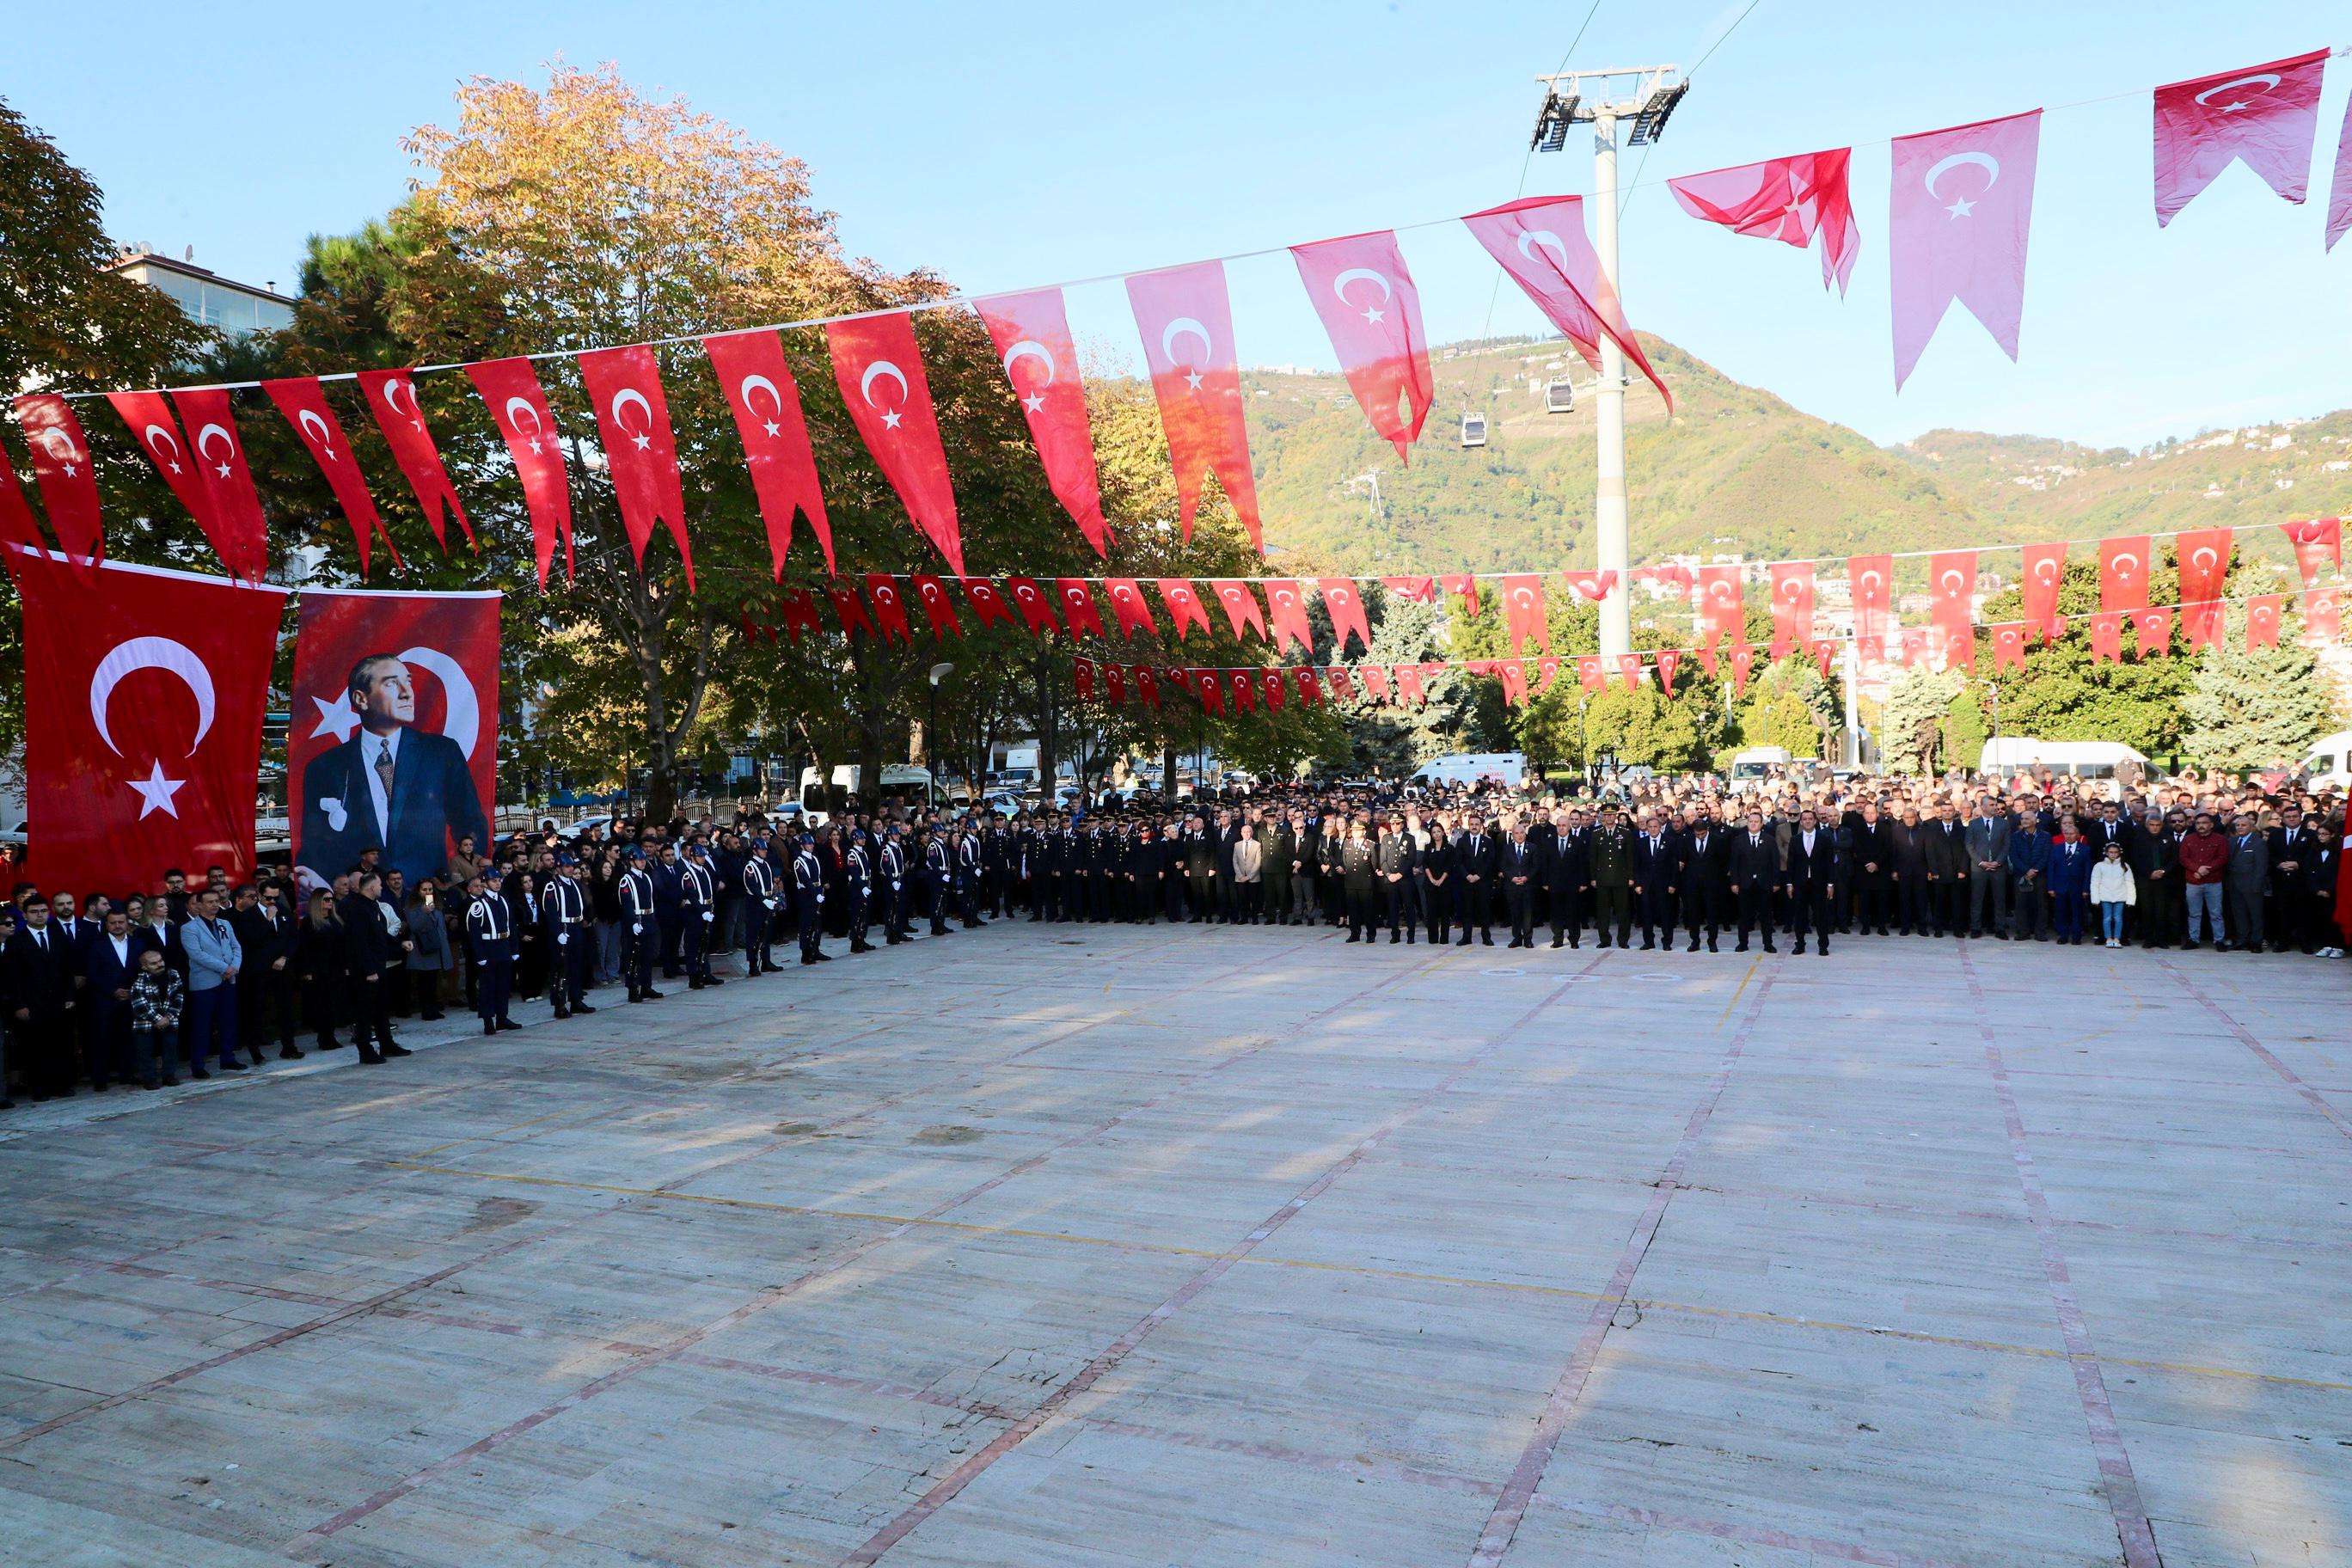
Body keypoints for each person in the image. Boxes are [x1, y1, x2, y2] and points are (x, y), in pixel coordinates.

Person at [297, 653, 492, 892]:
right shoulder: (326, 767)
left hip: (428, 893)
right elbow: (315, 844)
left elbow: (470, 821)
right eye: (391, 683)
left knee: (429, 928)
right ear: (361, 698)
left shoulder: (441, 753)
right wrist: (329, 881)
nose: (407, 692)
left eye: (408, 681)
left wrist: (464, 879)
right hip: (365, 898)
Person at [6, 897, 80, 1099]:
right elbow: (13, 978)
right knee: (36, 1047)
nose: (39, 915)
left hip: (58, 1002)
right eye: (34, 911)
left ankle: (62, 1085)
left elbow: (67, 970)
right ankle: (40, 1088)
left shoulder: (58, 936)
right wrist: (19, 1004)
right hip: (32, 1004)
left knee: (61, 1045)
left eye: (43, 911)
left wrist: (70, 995)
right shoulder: (17, 942)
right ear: (25, 915)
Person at [340, 873, 407, 1063]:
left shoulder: (371, 905)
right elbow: (358, 943)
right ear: (371, 888)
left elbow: (379, 934)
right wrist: (369, 970)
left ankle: (387, 1043)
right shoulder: (355, 908)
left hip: (379, 965)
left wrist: (398, 944)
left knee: (381, 1008)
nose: (381, 888)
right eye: (379, 885)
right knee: (364, 1011)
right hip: (365, 970)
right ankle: (365, 1050)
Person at [231, 883, 303, 1061]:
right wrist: (268, 920)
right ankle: (255, 1051)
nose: (272, 902)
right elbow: (252, 940)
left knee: (285, 1008)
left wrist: (285, 957)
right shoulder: (248, 916)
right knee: (257, 1010)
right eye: (268, 898)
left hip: (282, 968)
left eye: (275, 898)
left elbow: (293, 938)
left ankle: (289, 1046)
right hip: (259, 970)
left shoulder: (284, 912)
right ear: (259, 896)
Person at [181, 889, 245, 1076]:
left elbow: (236, 947)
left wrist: (234, 966)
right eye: (210, 902)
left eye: (216, 901)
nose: (214, 904)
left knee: (228, 1021)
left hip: (228, 980)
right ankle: (198, 1065)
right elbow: (197, 954)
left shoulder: (225, 923)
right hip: (205, 983)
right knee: (202, 1024)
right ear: (199, 905)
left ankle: (228, 1058)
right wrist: (224, 968)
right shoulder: (189, 928)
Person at [464, 871, 519, 1033]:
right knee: (488, 986)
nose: (498, 883)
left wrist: (514, 948)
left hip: (503, 945)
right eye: (493, 881)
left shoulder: (502, 900)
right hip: (488, 946)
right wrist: (479, 955)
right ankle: (488, 1020)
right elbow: (474, 933)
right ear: (485, 883)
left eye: (499, 880)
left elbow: (511, 926)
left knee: (503, 985)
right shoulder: (478, 905)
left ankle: (502, 1017)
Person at [126, 946, 186, 1091]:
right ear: (144, 966)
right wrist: (157, 1019)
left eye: (160, 961)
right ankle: (149, 1079)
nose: (160, 965)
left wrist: (168, 1017)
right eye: (154, 963)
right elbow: (139, 1004)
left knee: (170, 1048)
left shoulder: (173, 974)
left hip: (170, 1019)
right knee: (145, 1051)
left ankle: (169, 1075)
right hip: (145, 1021)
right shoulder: (140, 979)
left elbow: (179, 998)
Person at [541, 858, 595, 1016]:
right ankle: (559, 1004)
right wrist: (558, 933)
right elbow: (550, 913)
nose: (570, 869)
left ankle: (576, 1000)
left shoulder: (575, 884)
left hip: (577, 927)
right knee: (561, 969)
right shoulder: (553, 886)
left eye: (571, 866)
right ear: (558, 868)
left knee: (577, 966)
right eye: (566, 866)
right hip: (563, 928)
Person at [1785, 808, 1841, 956]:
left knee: (1821, 916)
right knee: (1800, 916)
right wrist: (1789, 883)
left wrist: (1830, 884)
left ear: (1815, 821)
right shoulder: (1795, 840)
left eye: (1810, 819)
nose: (1808, 821)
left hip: (1819, 883)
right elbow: (1791, 863)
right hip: (1800, 884)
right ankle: (1800, 944)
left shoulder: (1824, 839)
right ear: (1801, 822)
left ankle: (1823, 945)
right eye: (1805, 819)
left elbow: (1830, 863)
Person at [296, 890, 346, 1050]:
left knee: (334, 1004)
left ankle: (330, 1036)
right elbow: (304, 948)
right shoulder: (309, 922)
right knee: (322, 1005)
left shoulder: (336, 920)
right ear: (318, 902)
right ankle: (324, 1038)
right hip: (318, 970)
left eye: (331, 899)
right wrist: (306, 971)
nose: (330, 902)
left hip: (335, 968)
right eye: (326, 899)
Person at [1729, 812, 1779, 954]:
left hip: (1764, 883)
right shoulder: (1739, 840)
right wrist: (1734, 883)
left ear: (1762, 824)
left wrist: (1776, 882)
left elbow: (1775, 862)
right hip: (1745, 884)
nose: (1753, 824)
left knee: (1766, 916)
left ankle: (1768, 944)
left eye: (1756, 822)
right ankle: (1743, 943)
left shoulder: (1769, 840)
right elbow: (1735, 864)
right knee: (1744, 916)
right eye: (1751, 821)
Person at [2179, 812, 2228, 947]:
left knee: (2216, 913)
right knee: (2194, 913)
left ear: (2211, 825)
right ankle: (2193, 939)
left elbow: (2222, 858)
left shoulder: (2221, 839)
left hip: (2214, 881)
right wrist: (2197, 869)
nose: (2201, 826)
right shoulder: (2188, 839)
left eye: (2204, 823)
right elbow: (2184, 858)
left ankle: (2219, 940)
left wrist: (2206, 869)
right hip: (2193, 882)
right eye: (2198, 823)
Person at [1589, 805, 1634, 949]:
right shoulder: (1596, 834)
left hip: (1620, 878)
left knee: (1623, 912)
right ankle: (1604, 939)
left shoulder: (1625, 833)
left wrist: (1631, 877)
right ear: (1603, 817)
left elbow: (1630, 858)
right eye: (1606, 815)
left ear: (1615, 816)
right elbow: (1593, 858)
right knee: (1603, 912)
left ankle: (1623, 940)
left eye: (1611, 815)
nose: (1609, 818)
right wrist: (1593, 878)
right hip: (1603, 879)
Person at [2222, 813, 2269, 952]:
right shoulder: (2232, 841)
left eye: (2243, 825)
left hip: (2251, 885)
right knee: (2239, 914)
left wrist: (2257, 885)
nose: (2240, 827)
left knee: (2255, 915)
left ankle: (2256, 942)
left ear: (2251, 827)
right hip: (2234, 885)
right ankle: (2242, 940)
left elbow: (2261, 867)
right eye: (2238, 825)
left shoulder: (2258, 843)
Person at [404, 885, 452, 1022]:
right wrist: (424, 912)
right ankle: (426, 1010)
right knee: (423, 981)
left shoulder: (436, 907)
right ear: (418, 892)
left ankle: (433, 1008)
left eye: (430, 889)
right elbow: (414, 926)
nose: (428, 892)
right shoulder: (413, 907)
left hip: (436, 947)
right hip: (421, 948)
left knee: (432, 980)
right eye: (424, 890)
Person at [2047, 819, 2093, 945]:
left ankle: (2076, 935)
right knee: (2061, 911)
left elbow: (2087, 870)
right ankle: (2063, 934)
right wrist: (2051, 887)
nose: (2069, 836)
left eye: (2072, 833)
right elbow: (2051, 869)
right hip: (2060, 885)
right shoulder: (2056, 849)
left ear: (2077, 835)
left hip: (2077, 886)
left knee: (2077, 911)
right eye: (2066, 833)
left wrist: (2085, 888)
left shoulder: (2085, 850)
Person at [2090, 841, 2137, 948]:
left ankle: (2117, 938)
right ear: (2106, 853)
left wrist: (2131, 899)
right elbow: (2095, 883)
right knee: (2107, 918)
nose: (2113, 854)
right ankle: (2108, 938)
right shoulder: (2099, 866)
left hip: (2120, 896)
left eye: (2116, 852)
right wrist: (2095, 899)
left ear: (2119, 853)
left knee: (2118, 918)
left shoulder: (2124, 866)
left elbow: (2129, 882)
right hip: (2105, 896)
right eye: (2111, 852)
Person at [793, 834, 830, 965]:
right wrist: (816, 894)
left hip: (817, 892)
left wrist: (820, 891)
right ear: (802, 845)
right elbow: (806, 880)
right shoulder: (800, 861)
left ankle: (815, 949)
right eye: (808, 844)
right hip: (806, 895)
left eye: (812, 844)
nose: (811, 846)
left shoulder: (814, 858)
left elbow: (818, 877)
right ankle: (806, 952)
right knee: (807, 923)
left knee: (817, 923)